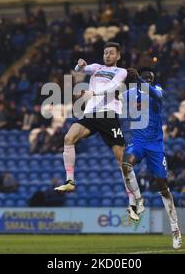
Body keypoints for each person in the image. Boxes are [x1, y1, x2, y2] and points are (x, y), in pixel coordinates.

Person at [54, 42, 142, 220]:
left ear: (118, 56)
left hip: (108, 115)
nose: (108, 55)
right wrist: (79, 64)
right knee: (68, 137)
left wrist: (93, 93)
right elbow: (80, 69)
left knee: (122, 162)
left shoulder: (121, 71)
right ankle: (70, 180)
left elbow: (113, 87)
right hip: (91, 114)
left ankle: (133, 201)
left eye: (111, 53)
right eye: (105, 53)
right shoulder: (96, 67)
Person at [122, 67, 182, 249]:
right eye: (145, 77)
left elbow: (157, 95)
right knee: (125, 164)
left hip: (156, 146)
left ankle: (175, 230)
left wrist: (138, 79)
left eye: (150, 78)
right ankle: (138, 201)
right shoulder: (130, 93)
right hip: (138, 142)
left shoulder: (157, 90)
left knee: (163, 185)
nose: (148, 80)